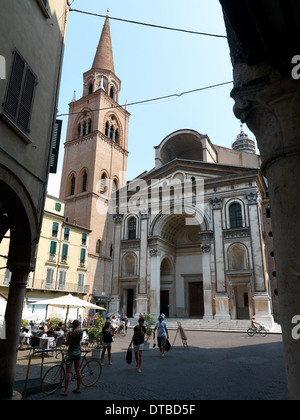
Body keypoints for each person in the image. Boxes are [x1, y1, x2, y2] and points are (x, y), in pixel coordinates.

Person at [61, 320, 83, 396]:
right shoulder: (81, 331)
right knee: (78, 370)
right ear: (79, 325)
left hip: (71, 352)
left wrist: (67, 338)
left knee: (68, 371)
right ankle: (78, 388)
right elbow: (79, 341)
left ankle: (65, 391)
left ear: (73, 325)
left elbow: (67, 344)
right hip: (78, 351)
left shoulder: (71, 333)